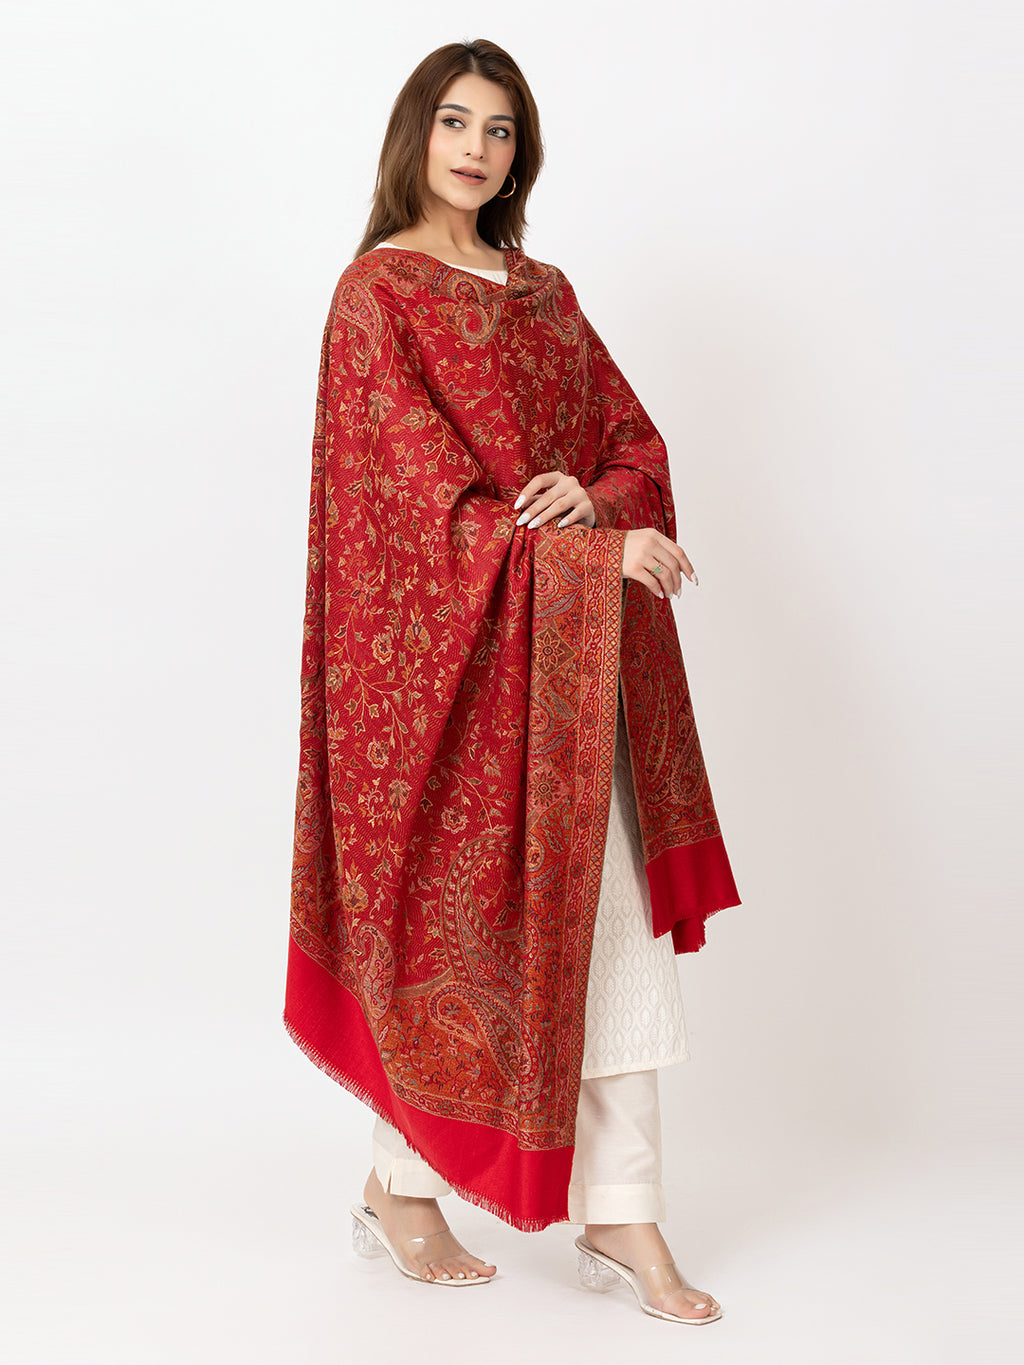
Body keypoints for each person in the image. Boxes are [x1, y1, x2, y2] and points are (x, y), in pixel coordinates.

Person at [284, 38, 741, 1326]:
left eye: (499, 130)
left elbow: (630, 443)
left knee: (609, 933)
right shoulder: (375, 296)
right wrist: (592, 556)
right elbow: (413, 504)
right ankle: (399, 1189)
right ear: (413, 135)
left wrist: (592, 504)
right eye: (454, 122)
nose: (476, 149)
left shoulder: (544, 295)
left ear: (520, 154)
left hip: (571, 668)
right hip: (447, 676)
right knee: (449, 925)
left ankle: (625, 1214)